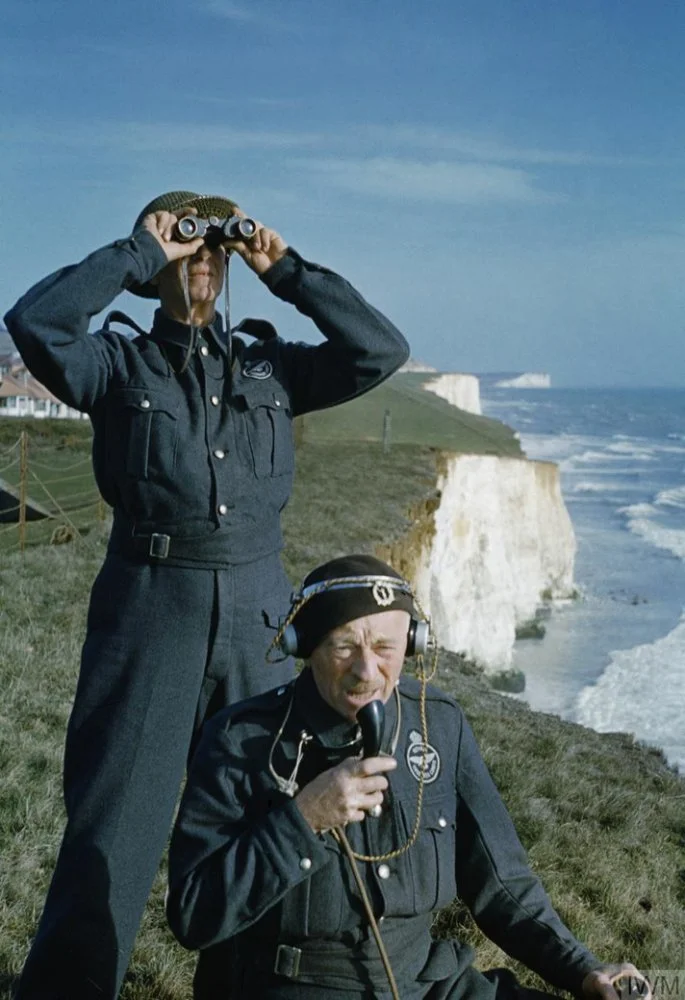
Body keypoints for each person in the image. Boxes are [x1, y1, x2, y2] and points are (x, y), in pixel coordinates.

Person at [4, 193, 410, 1000]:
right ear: (154, 271)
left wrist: (284, 271)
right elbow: (36, 325)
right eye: (185, 247)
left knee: (265, 821)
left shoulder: (269, 366)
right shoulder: (116, 366)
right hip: (149, 616)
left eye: (211, 249)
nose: (203, 261)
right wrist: (133, 253)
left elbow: (379, 349)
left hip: (259, 624)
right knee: (113, 830)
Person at [167, 554, 639, 1000]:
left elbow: (503, 882)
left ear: (412, 645)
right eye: (344, 646)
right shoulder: (238, 739)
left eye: (385, 647)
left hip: (430, 983)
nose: (366, 670)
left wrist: (582, 969)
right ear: (304, 646)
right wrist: (304, 819)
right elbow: (192, 915)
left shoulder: (440, 724)